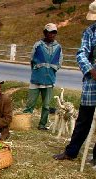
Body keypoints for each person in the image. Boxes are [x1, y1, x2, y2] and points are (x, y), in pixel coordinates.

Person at [53, 1, 96, 164]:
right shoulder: (90, 32)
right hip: (92, 83)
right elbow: (81, 54)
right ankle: (71, 151)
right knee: (84, 120)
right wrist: (90, 69)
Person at [23, 23, 63, 130]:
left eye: (54, 32)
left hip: (49, 80)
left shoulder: (58, 47)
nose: (52, 35)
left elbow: (59, 62)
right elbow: (32, 60)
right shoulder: (38, 45)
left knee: (46, 105)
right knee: (30, 103)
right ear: (45, 33)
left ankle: (42, 124)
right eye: (50, 32)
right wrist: (38, 69)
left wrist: (52, 69)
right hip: (36, 79)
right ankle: (24, 123)